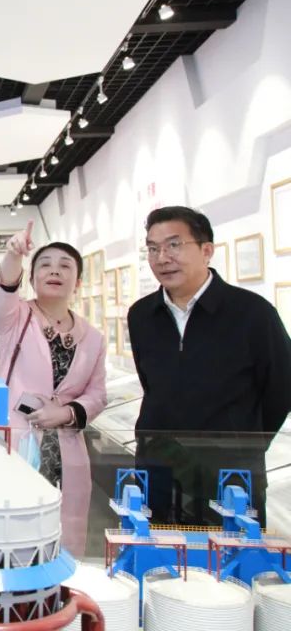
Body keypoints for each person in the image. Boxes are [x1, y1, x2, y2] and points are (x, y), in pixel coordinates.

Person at [129, 206, 291, 526]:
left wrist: (244, 442)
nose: (162, 258)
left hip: (230, 474)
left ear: (206, 251)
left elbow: (282, 387)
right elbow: (152, 385)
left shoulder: (252, 313)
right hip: (158, 471)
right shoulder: (141, 315)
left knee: (232, 554)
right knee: (159, 553)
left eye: (174, 245)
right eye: (153, 248)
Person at [0, 221, 107, 556]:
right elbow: (4, 291)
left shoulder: (93, 337)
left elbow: (97, 394)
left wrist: (67, 413)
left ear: (78, 282)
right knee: (10, 529)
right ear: (31, 278)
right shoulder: (15, 318)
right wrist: (14, 255)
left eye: (65, 266)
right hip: (17, 441)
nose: (54, 271)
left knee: (62, 535)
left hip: (65, 450)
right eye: (45, 264)